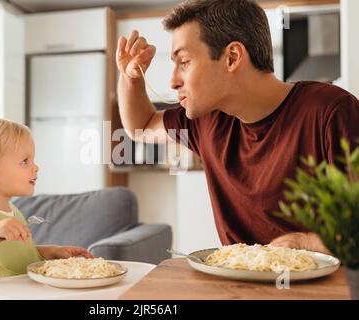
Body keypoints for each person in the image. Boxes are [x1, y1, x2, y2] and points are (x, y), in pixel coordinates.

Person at [116, 0, 359, 253]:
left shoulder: (331, 111)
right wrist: (130, 77)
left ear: (232, 57)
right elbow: (141, 127)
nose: (173, 81)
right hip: (239, 287)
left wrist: (304, 243)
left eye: (184, 62)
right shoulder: (207, 120)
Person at [0, 118, 93, 279]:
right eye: (25, 161)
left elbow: (16, 255)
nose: (36, 167)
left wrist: (51, 251)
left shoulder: (13, 212)